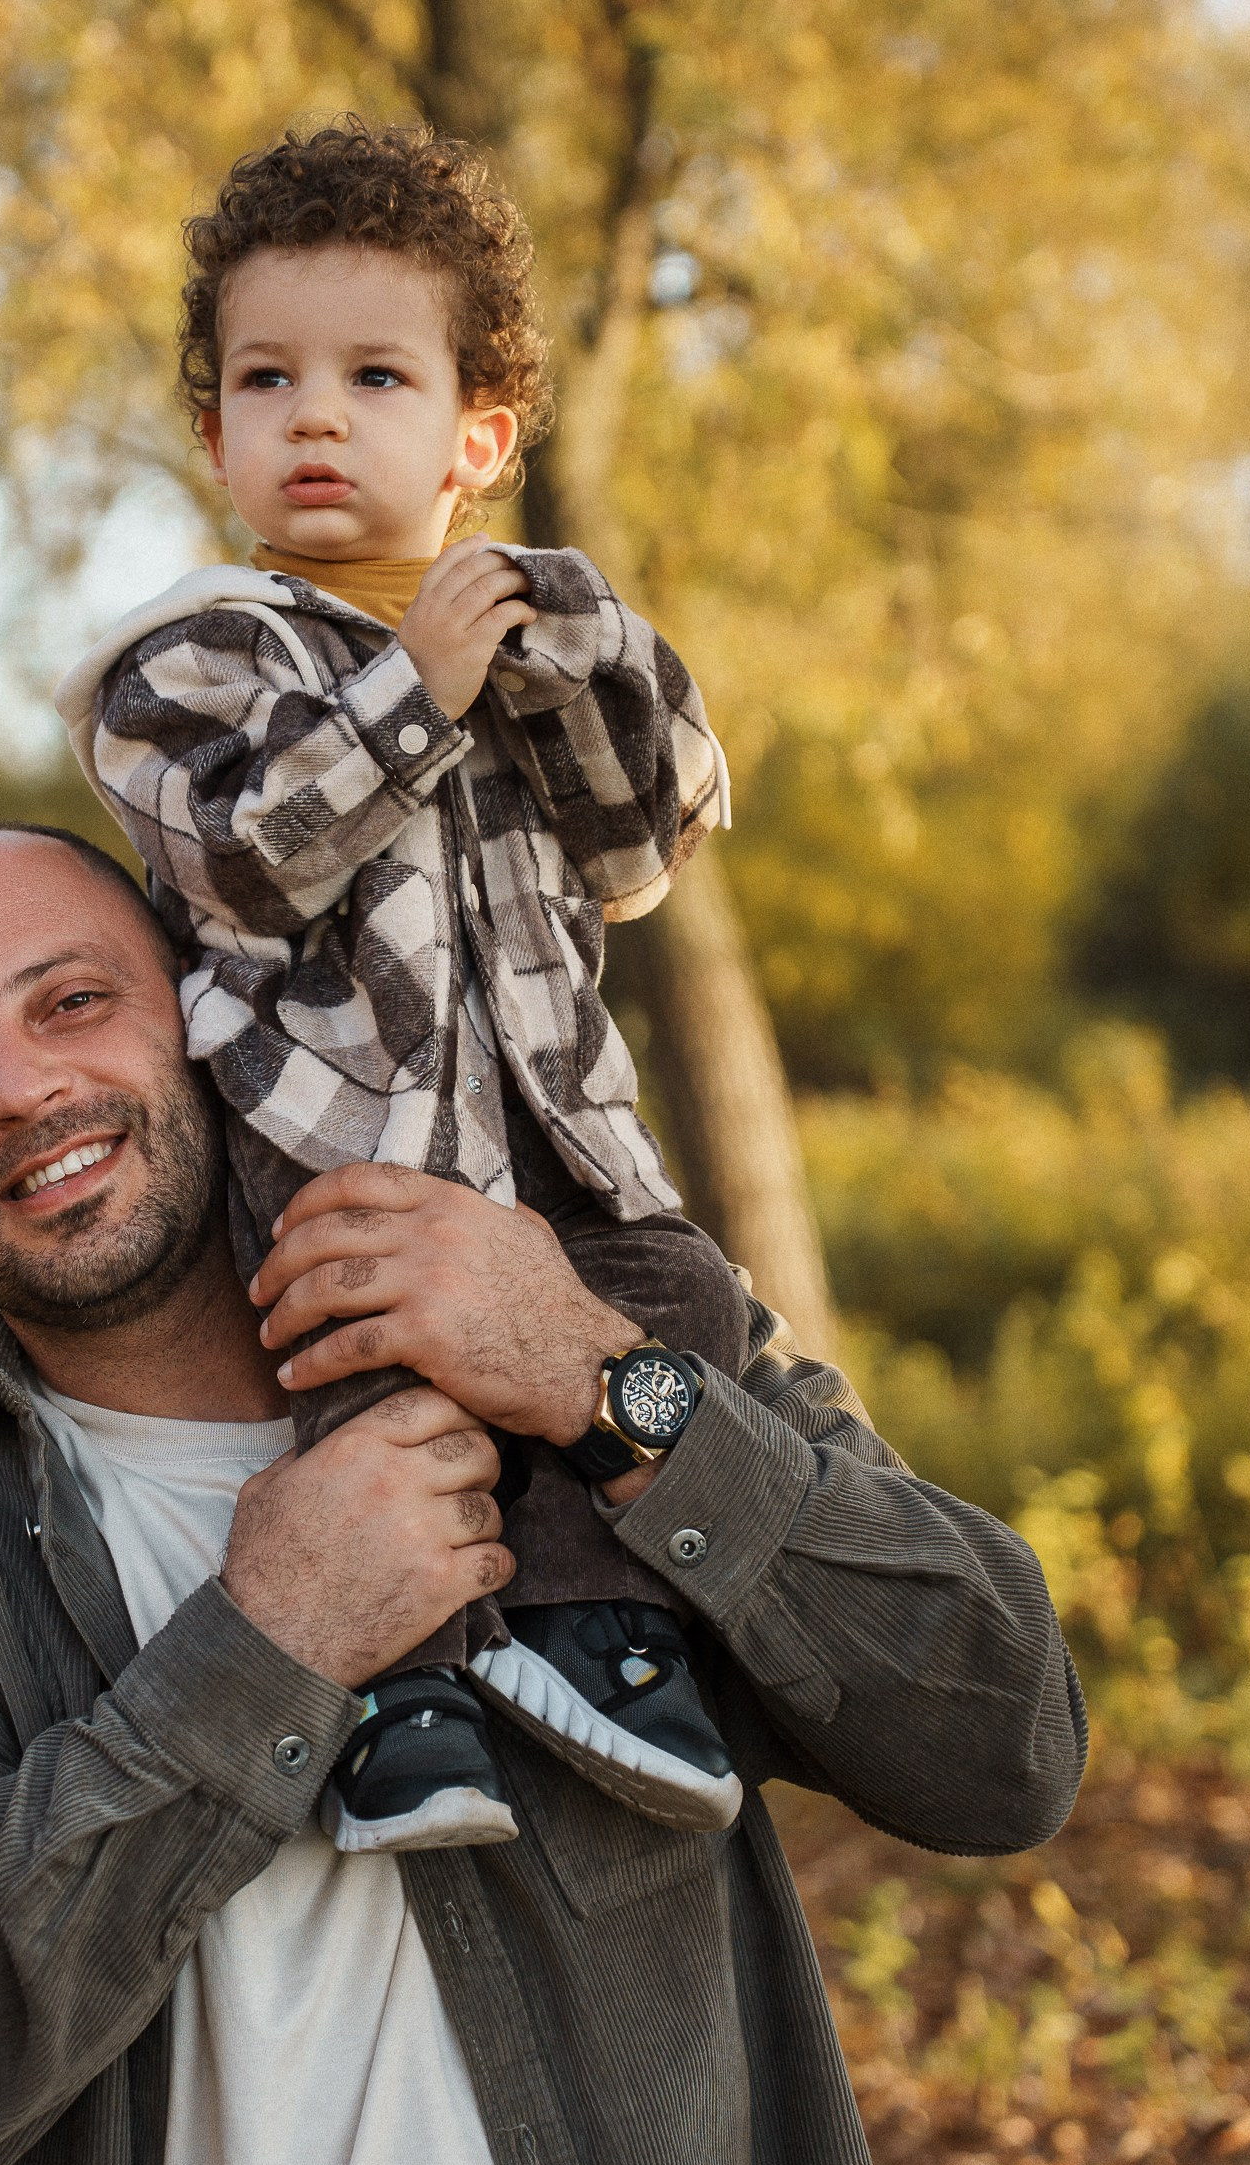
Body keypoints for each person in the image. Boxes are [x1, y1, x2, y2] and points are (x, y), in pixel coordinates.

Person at [0, 825, 1086, 2165]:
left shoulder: (570, 1301)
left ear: (208, 1016)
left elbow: (1002, 1740)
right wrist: (256, 1655)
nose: (21, 1090)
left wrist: (605, 1386)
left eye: (72, 1002)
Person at [54, 120, 747, 1859]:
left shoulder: (507, 643)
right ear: (211, 430)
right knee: (386, 1386)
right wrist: (413, 695)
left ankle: (601, 1637)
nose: (312, 415)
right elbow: (244, 857)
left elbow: (634, 847)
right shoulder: (189, 657)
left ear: (475, 438)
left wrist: (580, 654)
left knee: (683, 1309)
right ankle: (400, 1698)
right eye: (264, 379)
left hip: (553, 1131)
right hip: (338, 1126)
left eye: (375, 376)